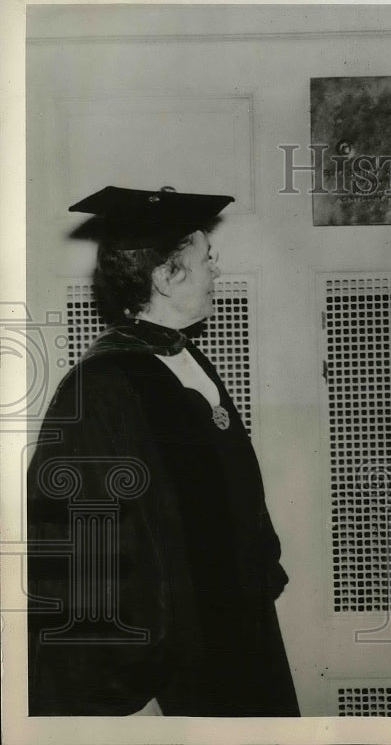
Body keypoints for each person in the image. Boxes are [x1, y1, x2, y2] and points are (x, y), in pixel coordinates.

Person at [27, 186, 300, 716]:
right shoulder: (100, 389)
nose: (217, 271)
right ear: (165, 275)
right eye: (206, 258)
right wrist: (128, 690)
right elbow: (79, 545)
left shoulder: (188, 359)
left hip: (232, 632)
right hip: (164, 661)